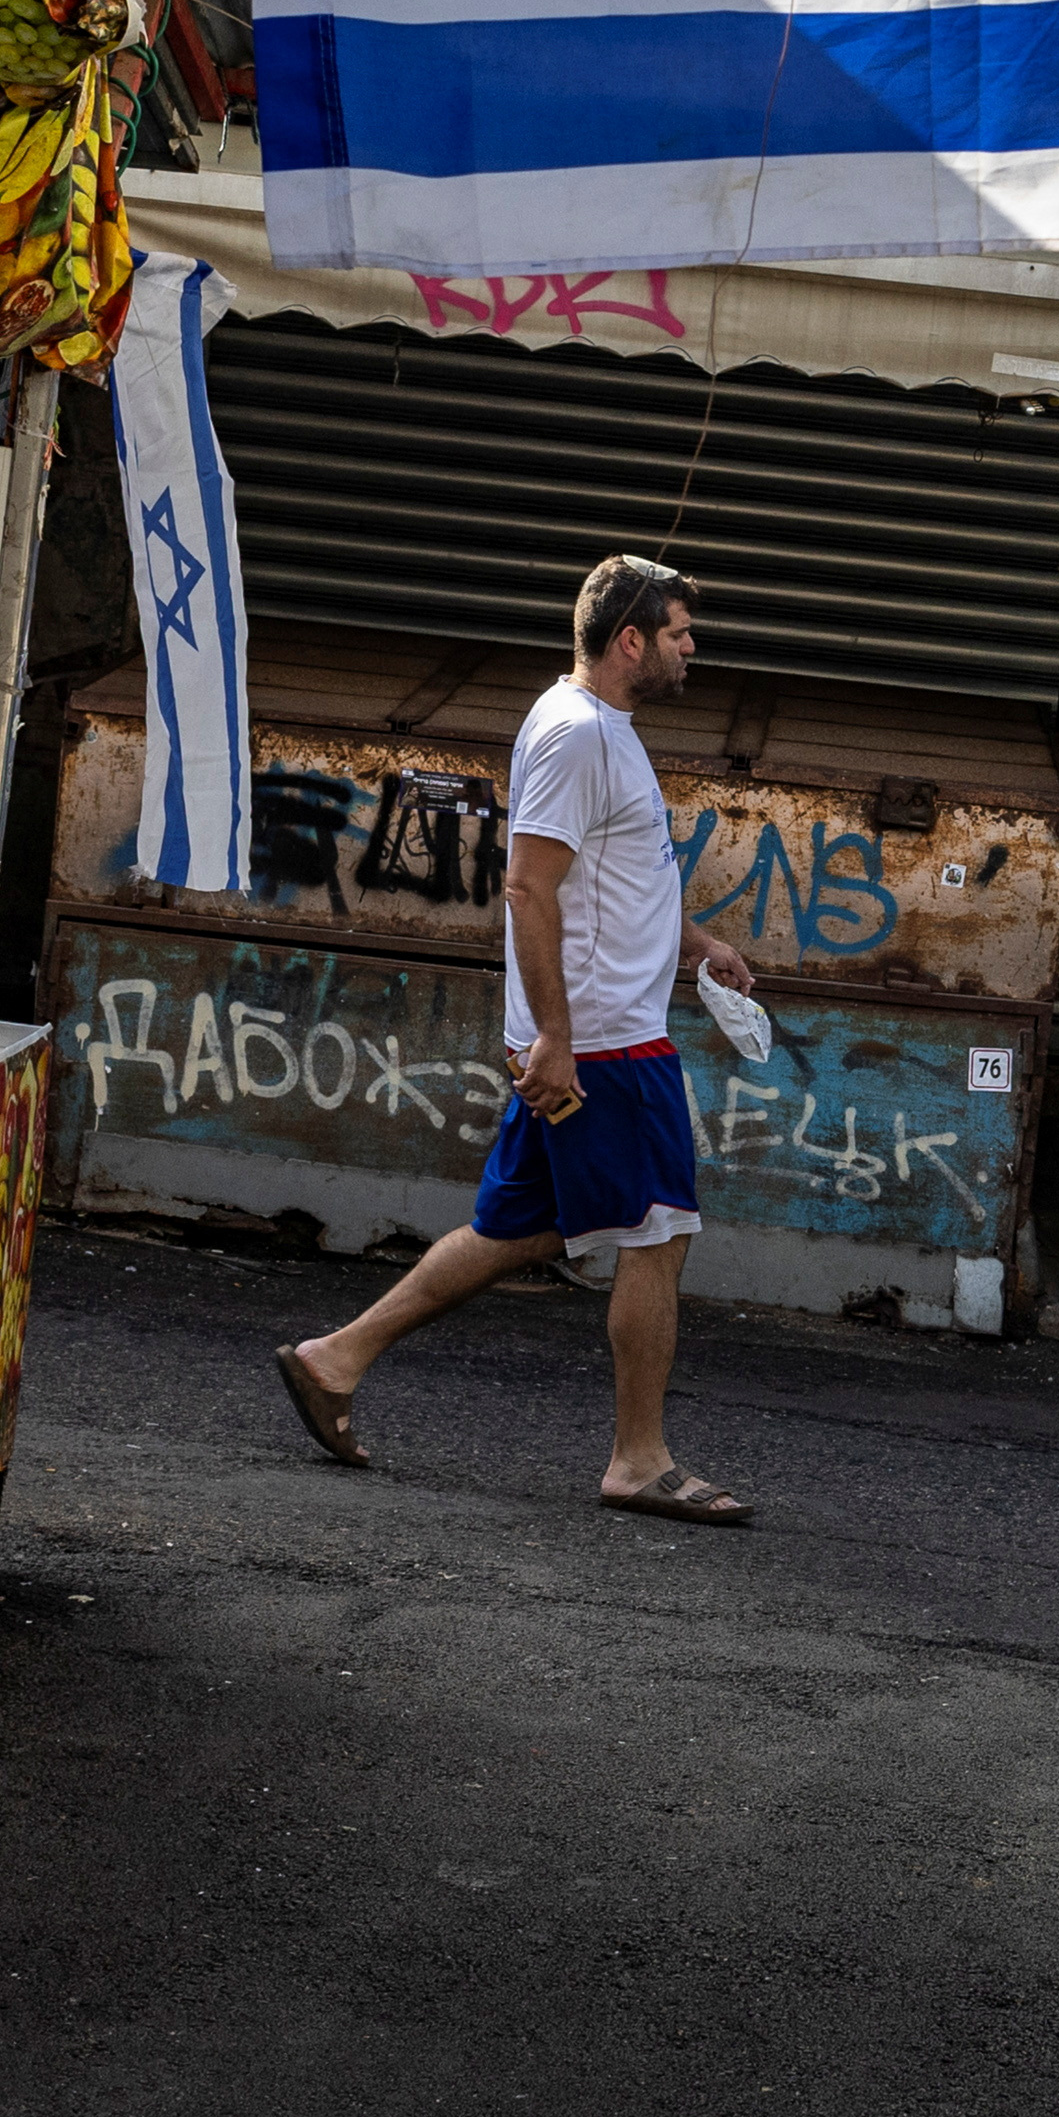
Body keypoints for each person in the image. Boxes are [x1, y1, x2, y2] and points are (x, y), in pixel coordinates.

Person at [275, 554, 760, 1522]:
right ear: (630, 642)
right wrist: (554, 1035)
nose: (688, 647)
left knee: (516, 1231)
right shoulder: (579, 735)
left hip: (588, 1039)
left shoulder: (601, 729)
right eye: (676, 634)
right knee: (659, 1232)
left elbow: (610, 882)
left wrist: (695, 944)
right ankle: (639, 1458)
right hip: (605, 1047)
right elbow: (529, 887)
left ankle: (334, 1359)